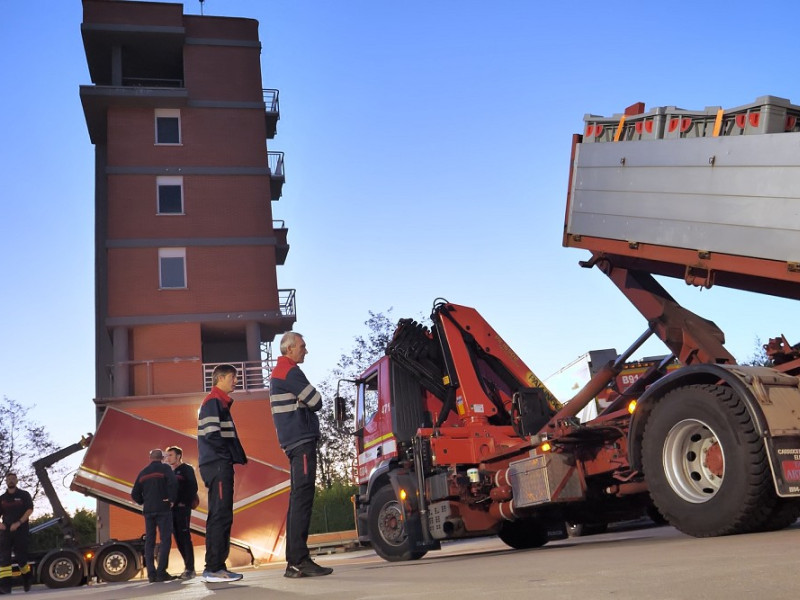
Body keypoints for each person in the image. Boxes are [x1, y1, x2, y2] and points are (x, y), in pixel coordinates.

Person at [270, 332, 333, 578]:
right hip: (301, 440)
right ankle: (298, 560)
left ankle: (296, 561)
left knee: (298, 498)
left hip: (293, 441)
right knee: (302, 499)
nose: (306, 351)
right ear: (290, 349)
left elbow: (308, 400)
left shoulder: (280, 373)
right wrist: (306, 401)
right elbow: (316, 401)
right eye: (303, 347)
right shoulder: (290, 371)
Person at [197, 364, 247, 583]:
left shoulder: (218, 402)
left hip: (218, 464)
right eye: (233, 378)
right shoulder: (213, 402)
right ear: (221, 378)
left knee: (221, 514)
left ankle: (217, 567)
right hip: (217, 464)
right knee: (220, 515)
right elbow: (212, 435)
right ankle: (214, 569)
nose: (236, 381)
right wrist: (226, 458)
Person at [131, 449, 178, 583]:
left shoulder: (143, 472)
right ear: (161, 458)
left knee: (149, 542)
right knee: (165, 540)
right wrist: (171, 499)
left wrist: (144, 501)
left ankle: (151, 575)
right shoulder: (165, 469)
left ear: (150, 458)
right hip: (163, 508)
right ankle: (161, 572)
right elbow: (173, 483)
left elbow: (134, 494)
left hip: (149, 510)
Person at [164, 446, 198, 580]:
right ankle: (187, 567)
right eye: (167, 455)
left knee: (185, 537)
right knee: (177, 538)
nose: (168, 458)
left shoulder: (186, 469)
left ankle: (190, 568)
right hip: (172, 510)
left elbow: (192, 487)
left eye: (170, 455)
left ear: (178, 456)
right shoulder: (169, 472)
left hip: (183, 508)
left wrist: (184, 501)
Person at [0, 473, 33, 594]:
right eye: (8, 479)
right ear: (6, 482)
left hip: (21, 530)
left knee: (21, 559)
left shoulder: (24, 495)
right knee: (4, 559)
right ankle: (5, 587)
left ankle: (27, 578)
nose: (11, 481)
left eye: (13, 479)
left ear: (17, 480)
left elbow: (29, 509)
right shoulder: (2, 498)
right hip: (6, 532)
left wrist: (19, 523)